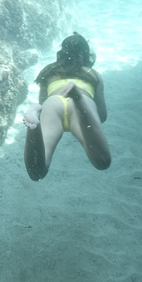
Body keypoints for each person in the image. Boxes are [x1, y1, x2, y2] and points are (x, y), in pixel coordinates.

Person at [23, 32, 111, 181]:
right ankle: (77, 98)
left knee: (37, 173)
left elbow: (43, 102)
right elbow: (102, 115)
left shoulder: (49, 71)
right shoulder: (92, 73)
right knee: (102, 162)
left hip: (53, 103)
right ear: (86, 54)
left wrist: (42, 115)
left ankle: (34, 129)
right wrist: (82, 105)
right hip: (83, 102)